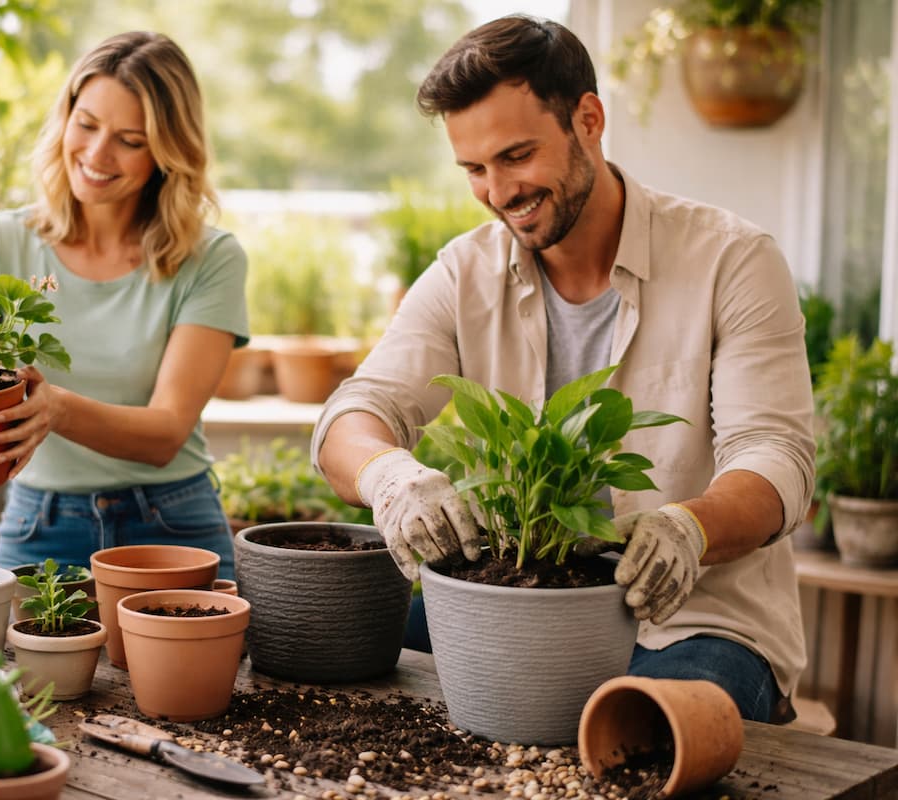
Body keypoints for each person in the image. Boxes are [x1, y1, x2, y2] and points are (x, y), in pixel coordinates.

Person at [312, 15, 814, 723]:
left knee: (640, 733)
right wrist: (390, 478)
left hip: (690, 624)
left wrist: (690, 529)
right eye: (475, 170)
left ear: (589, 119)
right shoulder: (465, 272)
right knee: (320, 647)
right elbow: (353, 416)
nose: (497, 191)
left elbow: (777, 458)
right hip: (515, 604)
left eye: (516, 156)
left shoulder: (730, 260)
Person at [0, 31, 248, 581]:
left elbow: (167, 433)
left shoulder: (209, 257)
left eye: (130, 140)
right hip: (39, 525)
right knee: (19, 672)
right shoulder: (0, 242)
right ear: (66, 117)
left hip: (175, 527)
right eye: (88, 124)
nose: (97, 155)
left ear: (168, 153)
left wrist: (60, 410)